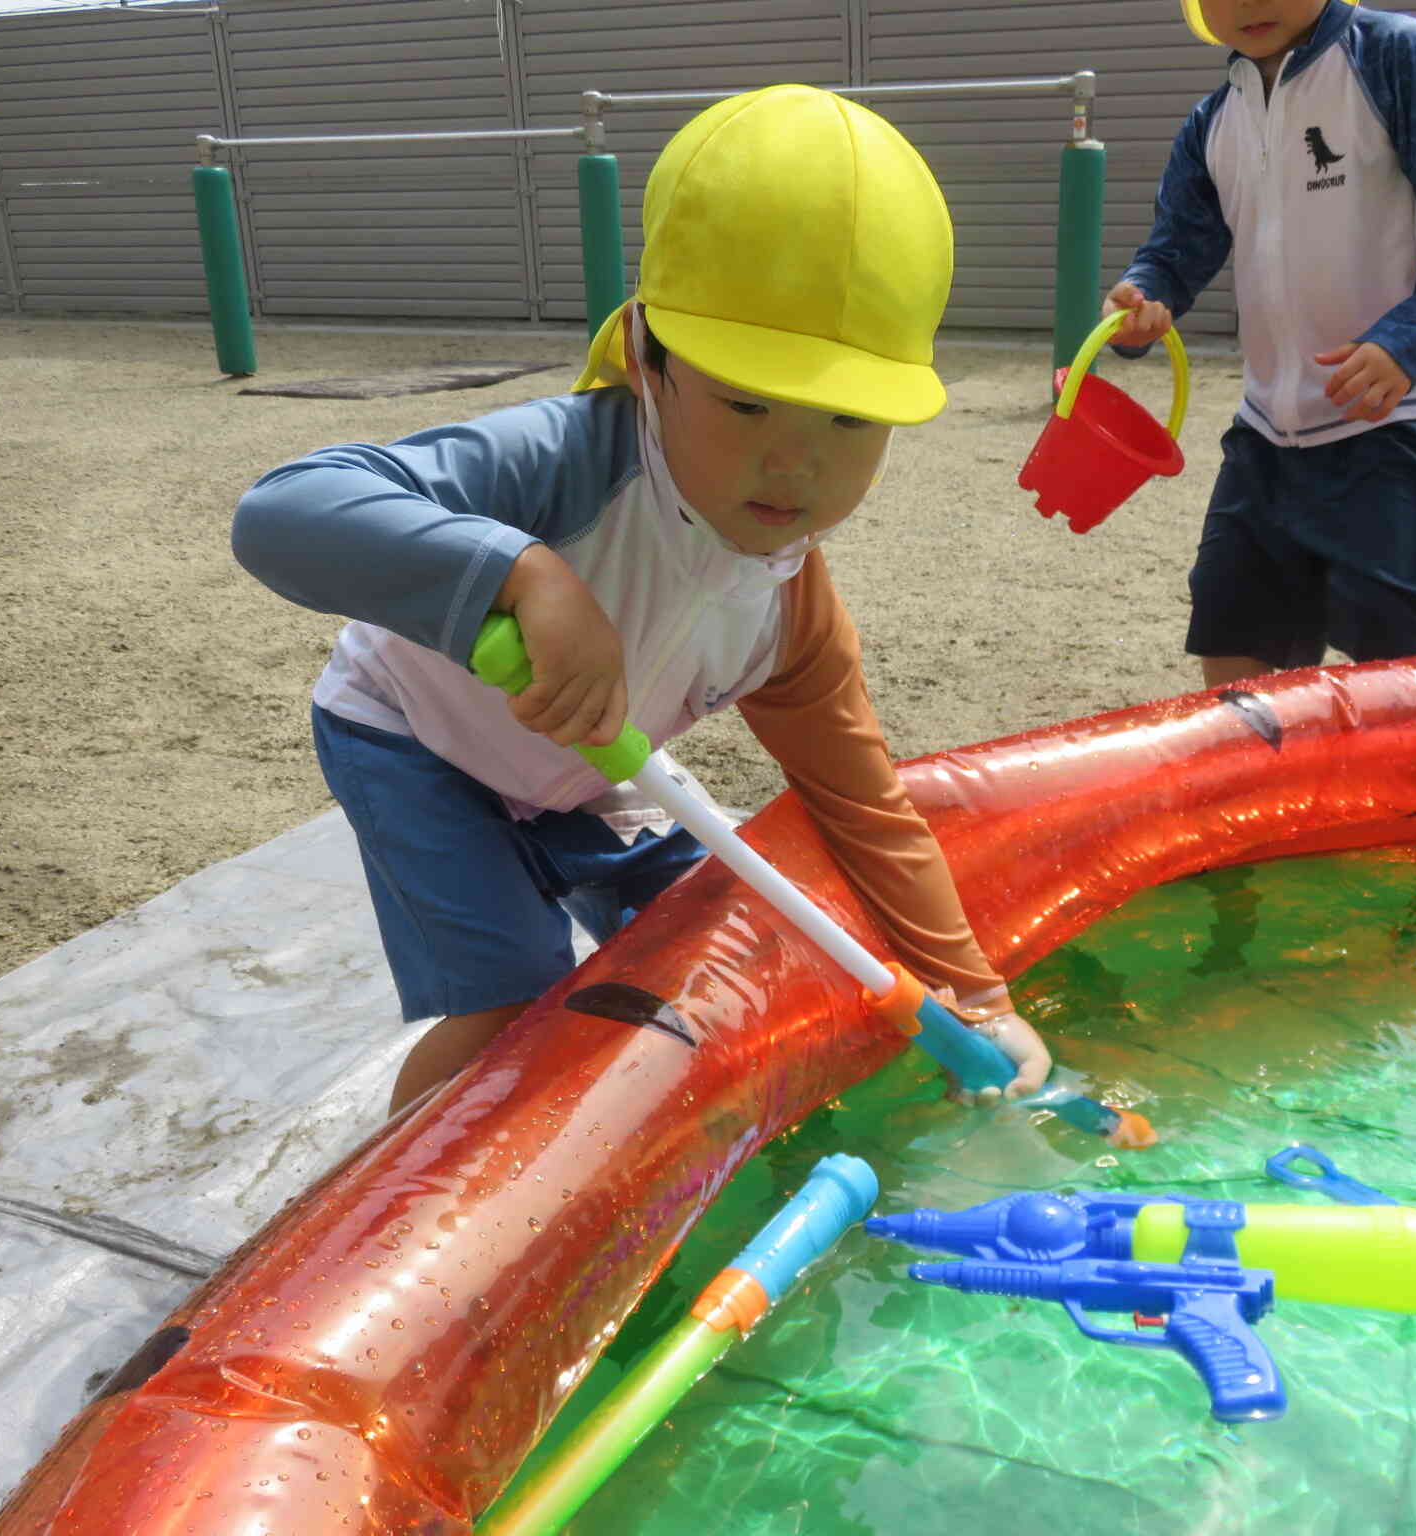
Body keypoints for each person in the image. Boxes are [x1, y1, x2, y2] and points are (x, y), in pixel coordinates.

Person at [233, 85, 1051, 1117]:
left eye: (850, 422)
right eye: (746, 401)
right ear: (645, 358)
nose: (794, 462)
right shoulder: (561, 466)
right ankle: (392, 1220)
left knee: (707, 930)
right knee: (515, 1002)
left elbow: (862, 804)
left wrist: (974, 995)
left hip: (585, 772)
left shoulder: (787, 605)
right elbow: (283, 511)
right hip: (413, 738)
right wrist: (520, 571)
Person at [1104, 0, 1416, 689]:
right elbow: (1174, 253)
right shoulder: (1213, 122)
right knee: (1232, 634)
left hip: (1394, 429)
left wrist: (1407, 341)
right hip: (1265, 437)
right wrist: (1142, 298)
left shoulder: (1388, 53)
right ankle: (1270, 794)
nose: (1250, 2)